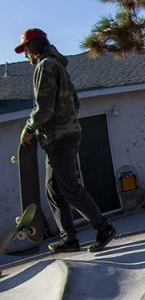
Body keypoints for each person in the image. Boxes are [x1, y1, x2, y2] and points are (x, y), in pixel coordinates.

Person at [15, 28, 116, 254]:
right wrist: (67, 122)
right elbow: (75, 102)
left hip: (60, 138)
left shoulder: (45, 66)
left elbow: (44, 108)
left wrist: (29, 128)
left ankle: (104, 228)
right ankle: (68, 239)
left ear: (34, 46)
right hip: (61, 136)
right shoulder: (58, 66)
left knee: (69, 187)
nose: (26, 55)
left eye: (26, 49)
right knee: (53, 189)